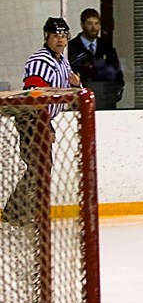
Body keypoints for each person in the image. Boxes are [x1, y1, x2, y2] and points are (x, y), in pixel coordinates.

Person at [2, 17, 81, 226]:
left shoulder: (62, 61)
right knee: (39, 166)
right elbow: (35, 96)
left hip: (43, 119)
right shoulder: (40, 61)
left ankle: (18, 212)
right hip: (31, 118)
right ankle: (16, 214)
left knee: (41, 166)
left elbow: (63, 92)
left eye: (64, 36)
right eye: (56, 36)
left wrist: (76, 84)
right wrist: (44, 125)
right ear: (47, 37)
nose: (61, 40)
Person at [68, 8, 124, 110]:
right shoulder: (71, 49)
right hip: (80, 106)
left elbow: (118, 77)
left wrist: (112, 97)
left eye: (97, 23)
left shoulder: (107, 49)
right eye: (90, 23)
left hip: (106, 106)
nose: (94, 28)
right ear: (82, 25)